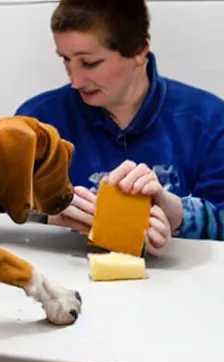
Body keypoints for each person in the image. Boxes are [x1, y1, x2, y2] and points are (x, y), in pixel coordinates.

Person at [15, 0, 224, 254]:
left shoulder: (210, 120)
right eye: (66, 60)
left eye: (89, 63)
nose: (75, 81)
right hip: (64, 287)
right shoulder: (38, 122)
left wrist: (177, 215)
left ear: (139, 51)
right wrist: (48, 214)